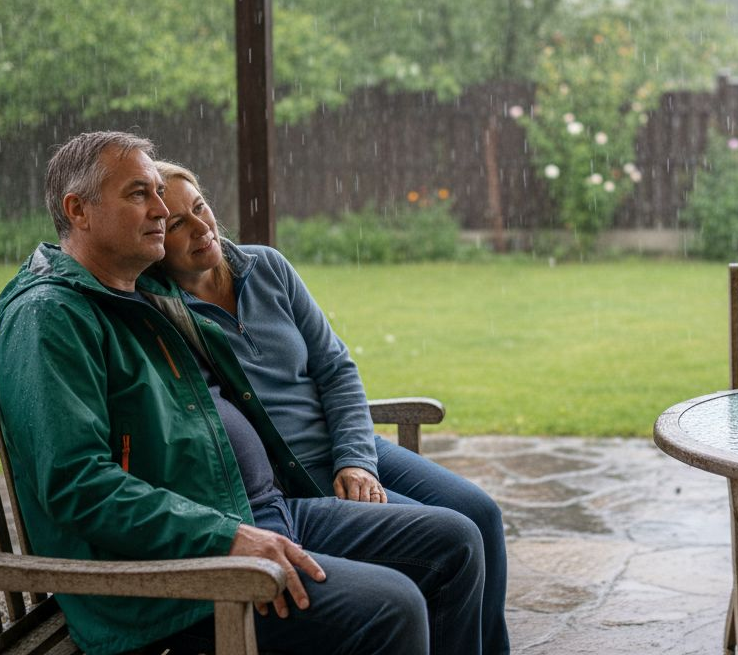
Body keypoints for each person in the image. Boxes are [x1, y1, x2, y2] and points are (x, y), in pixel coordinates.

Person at [0, 131, 484, 655]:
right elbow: (77, 485)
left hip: (257, 512)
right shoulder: (50, 318)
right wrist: (225, 538)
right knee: (391, 605)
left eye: (163, 194)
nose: (161, 209)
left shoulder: (138, 296)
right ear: (78, 210)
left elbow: (318, 370)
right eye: (140, 194)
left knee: (455, 541)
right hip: (179, 576)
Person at [151, 160, 511, 654]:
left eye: (200, 207)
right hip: (297, 476)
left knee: (482, 513)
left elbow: (335, 368)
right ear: (153, 243)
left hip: (349, 445)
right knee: (452, 544)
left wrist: (357, 457)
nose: (201, 227)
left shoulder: (268, 267)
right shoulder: (168, 318)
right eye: (176, 224)